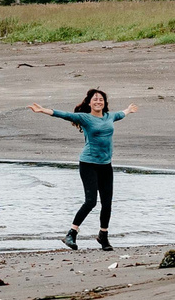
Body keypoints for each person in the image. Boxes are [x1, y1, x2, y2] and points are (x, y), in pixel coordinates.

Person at [26, 89, 136, 250]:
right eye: (95, 99)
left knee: (107, 203)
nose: (98, 102)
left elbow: (121, 114)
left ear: (104, 103)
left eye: (101, 100)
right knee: (90, 201)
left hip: (106, 165)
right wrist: (43, 110)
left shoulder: (110, 116)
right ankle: (71, 234)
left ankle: (103, 237)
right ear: (89, 102)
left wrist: (128, 109)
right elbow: (64, 115)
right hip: (88, 164)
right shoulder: (85, 118)